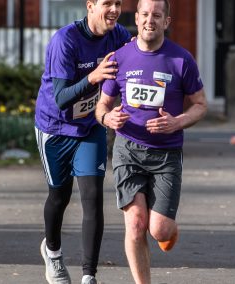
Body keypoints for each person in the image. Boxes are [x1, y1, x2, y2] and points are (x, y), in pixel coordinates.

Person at [95, 0, 207, 283]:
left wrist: (176, 122)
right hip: (128, 149)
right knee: (135, 225)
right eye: (145, 14)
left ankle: (168, 228)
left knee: (159, 230)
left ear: (166, 22)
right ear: (137, 18)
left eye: (157, 15)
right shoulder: (119, 57)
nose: (150, 20)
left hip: (165, 154)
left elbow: (200, 104)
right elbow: (102, 105)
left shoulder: (181, 60)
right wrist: (107, 118)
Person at [34, 0, 131, 283]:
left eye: (118, 3)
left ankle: (89, 276)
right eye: (107, 3)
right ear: (90, 6)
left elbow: (132, 68)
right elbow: (62, 99)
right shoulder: (65, 40)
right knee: (59, 196)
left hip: (90, 127)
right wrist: (94, 77)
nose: (114, 9)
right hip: (55, 127)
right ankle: (52, 253)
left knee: (92, 198)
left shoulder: (119, 36)